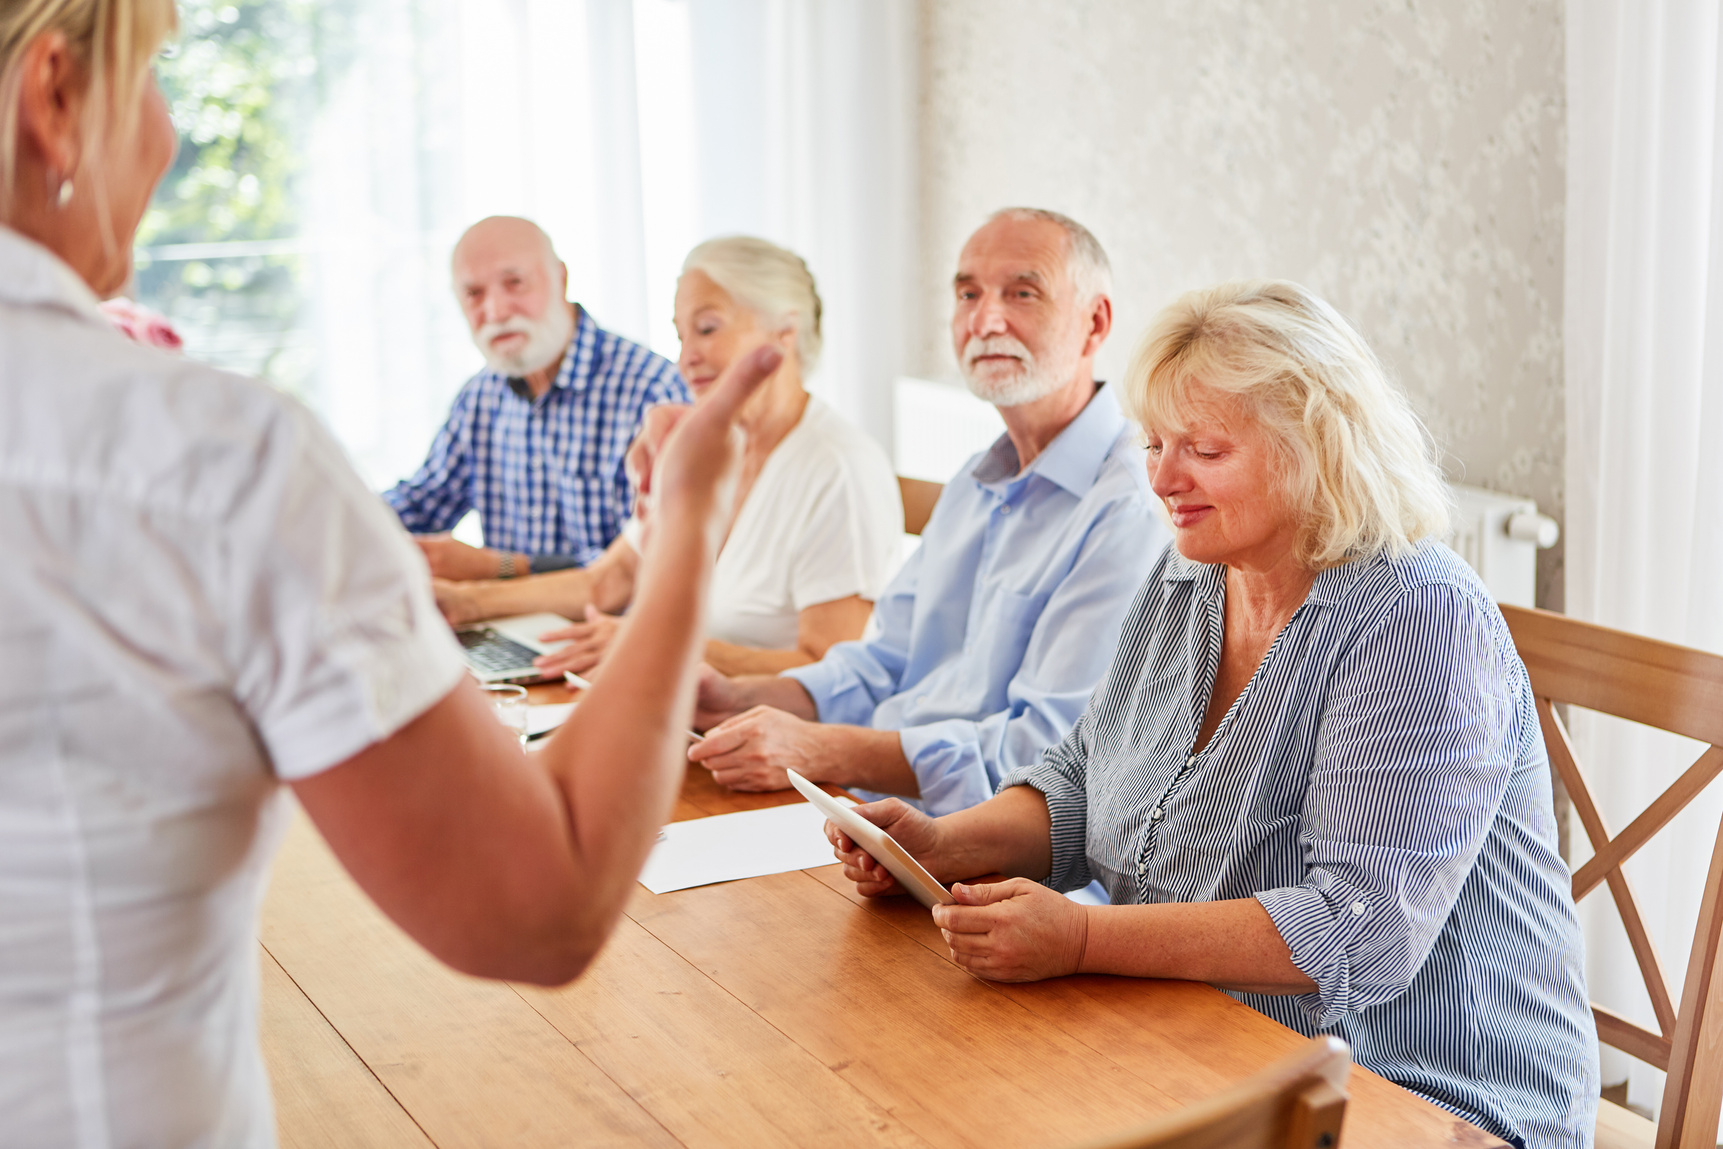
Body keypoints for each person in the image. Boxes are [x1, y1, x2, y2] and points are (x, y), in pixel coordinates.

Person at [0, 3, 775, 1143]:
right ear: (56, 101)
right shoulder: (214, 456)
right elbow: (541, 910)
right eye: (157, 76)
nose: (168, 134)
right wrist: (685, 539)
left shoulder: (629, 383)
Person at [829, 281, 1599, 1148]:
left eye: (1201, 449)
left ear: (1314, 447)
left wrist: (1081, 937)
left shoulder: (1416, 615)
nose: (1159, 478)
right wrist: (943, 844)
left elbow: (1357, 934)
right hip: (1197, 1034)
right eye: (1155, 443)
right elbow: (1085, 777)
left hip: (1424, 1090)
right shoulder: (1190, 573)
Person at [688, 208, 1170, 818]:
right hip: (862, 813)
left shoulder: (1130, 508)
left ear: (1094, 323)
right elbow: (884, 662)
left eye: (1022, 293)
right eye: (968, 293)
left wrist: (820, 749)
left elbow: (1044, 754)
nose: (984, 318)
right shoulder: (975, 478)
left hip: (982, 854)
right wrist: (743, 696)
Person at [433, 236, 904, 677]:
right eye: (681, 336)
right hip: (690, 716)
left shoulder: (837, 467)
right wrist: (465, 602)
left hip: (770, 745)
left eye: (707, 328)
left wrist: (652, 645)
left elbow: (832, 672)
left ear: (785, 331)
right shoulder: (709, 448)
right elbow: (612, 579)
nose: (686, 359)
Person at [384, 215, 690, 577]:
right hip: (508, 622)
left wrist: (501, 567)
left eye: (515, 283)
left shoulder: (650, 390)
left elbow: (650, 560)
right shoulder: (480, 398)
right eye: (473, 294)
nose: (495, 311)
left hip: (610, 628)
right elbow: (421, 505)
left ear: (561, 279)